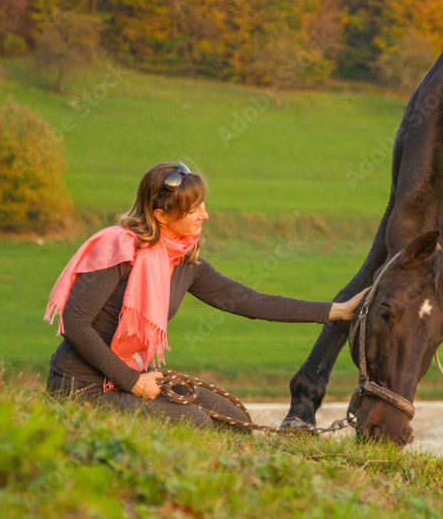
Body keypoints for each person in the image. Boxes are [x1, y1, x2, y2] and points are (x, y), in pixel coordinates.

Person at [45, 162, 366, 428]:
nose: (204, 215)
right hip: (81, 388)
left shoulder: (186, 264)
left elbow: (250, 301)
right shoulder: (118, 248)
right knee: (196, 422)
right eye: (193, 208)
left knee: (235, 420)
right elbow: (75, 323)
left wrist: (336, 311)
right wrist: (131, 380)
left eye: (202, 205)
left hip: (133, 381)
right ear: (160, 215)